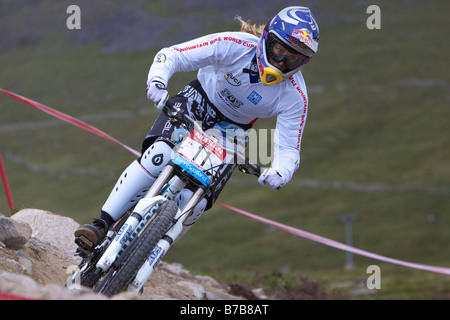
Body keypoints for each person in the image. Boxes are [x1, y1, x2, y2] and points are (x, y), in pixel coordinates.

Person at [74, 6, 320, 253]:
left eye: (293, 58)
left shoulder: (296, 95)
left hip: (232, 130)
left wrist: (280, 171)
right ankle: (101, 224)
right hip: (197, 101)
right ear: (268, 39)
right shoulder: (233, 44)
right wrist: (158, 82)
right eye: (279, 50)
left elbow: (289, 148)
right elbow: (172, 55)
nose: (282, 61)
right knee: (159, 155)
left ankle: (146, 254)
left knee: (196, 202)